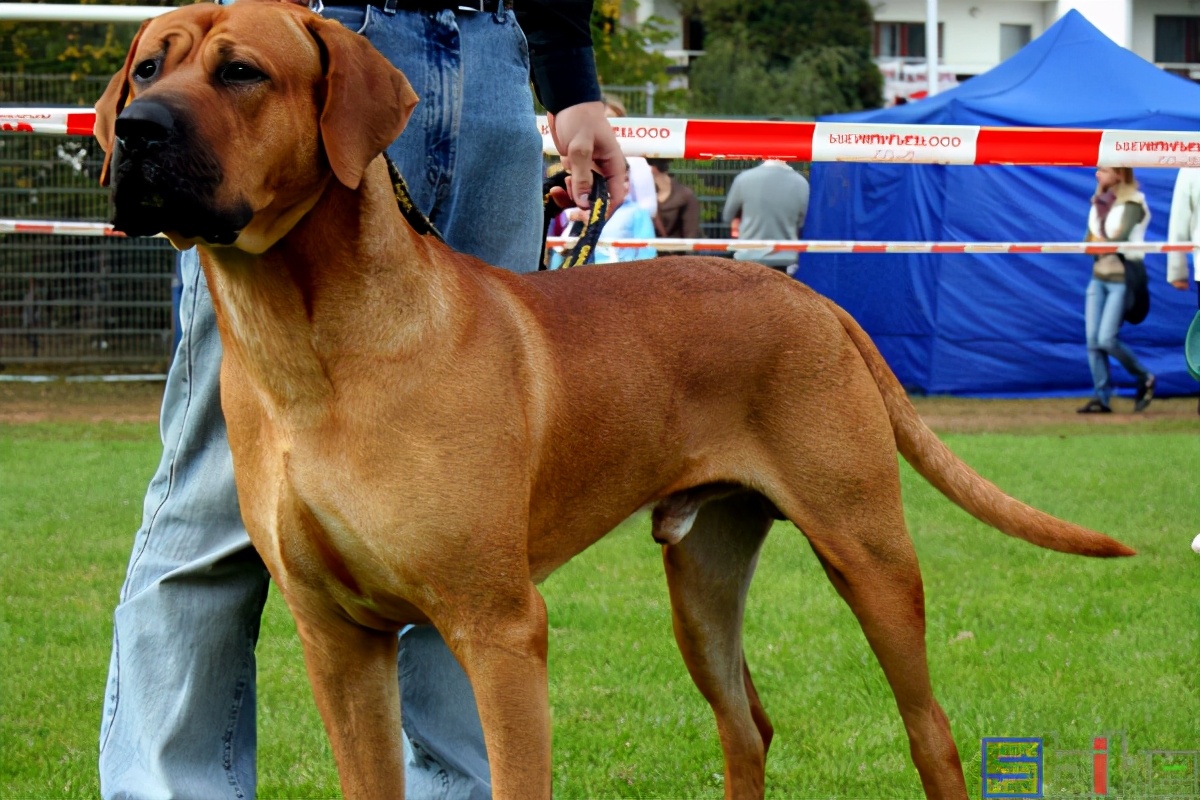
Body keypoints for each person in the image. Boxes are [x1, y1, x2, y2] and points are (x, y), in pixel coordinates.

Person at [97, 1, 626, 798]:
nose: (148, 107)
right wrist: (244, 57)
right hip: (315, 27)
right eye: (146, 78)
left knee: (465, 524)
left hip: (489, 60)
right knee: (209, 508)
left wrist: (572, 79)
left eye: (225, 74)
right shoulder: (239, 47)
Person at [1077, 166, 1155, 414]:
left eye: (1104, 170)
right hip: (1098, 276)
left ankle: (1144, 377)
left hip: (1122, 278)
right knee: (1092, 341)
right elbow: (1088, 239)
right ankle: (1102, 398)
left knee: (1106, 339)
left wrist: (1099, 243)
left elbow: (1118, 239)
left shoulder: (1133, 202)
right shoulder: (1099, 201)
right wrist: (1098, 199)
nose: (1098, 174)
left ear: (1120, 174)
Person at [721, 158, 810, 274]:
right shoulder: (801, 183)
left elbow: (727, 216)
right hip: (784, 261)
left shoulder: (744, 179)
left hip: (748, 257)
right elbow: (802, 222)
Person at [1165, 166, 1200, 416]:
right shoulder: (1191, 162)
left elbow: (1179, 218)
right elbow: (1180, 219)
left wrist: (1177, 270)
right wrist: (1176, 268)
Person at [602, 93, 657, 220]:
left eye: (610, 118)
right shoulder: (582, 156)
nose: (605, 125)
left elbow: (649, 208)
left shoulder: (636, 162)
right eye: (601, 119)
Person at [647, 158, 701, 241]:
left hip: (675, 252)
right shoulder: (634, 194)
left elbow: (690, 236)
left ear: (653, 168)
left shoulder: (685, 196)